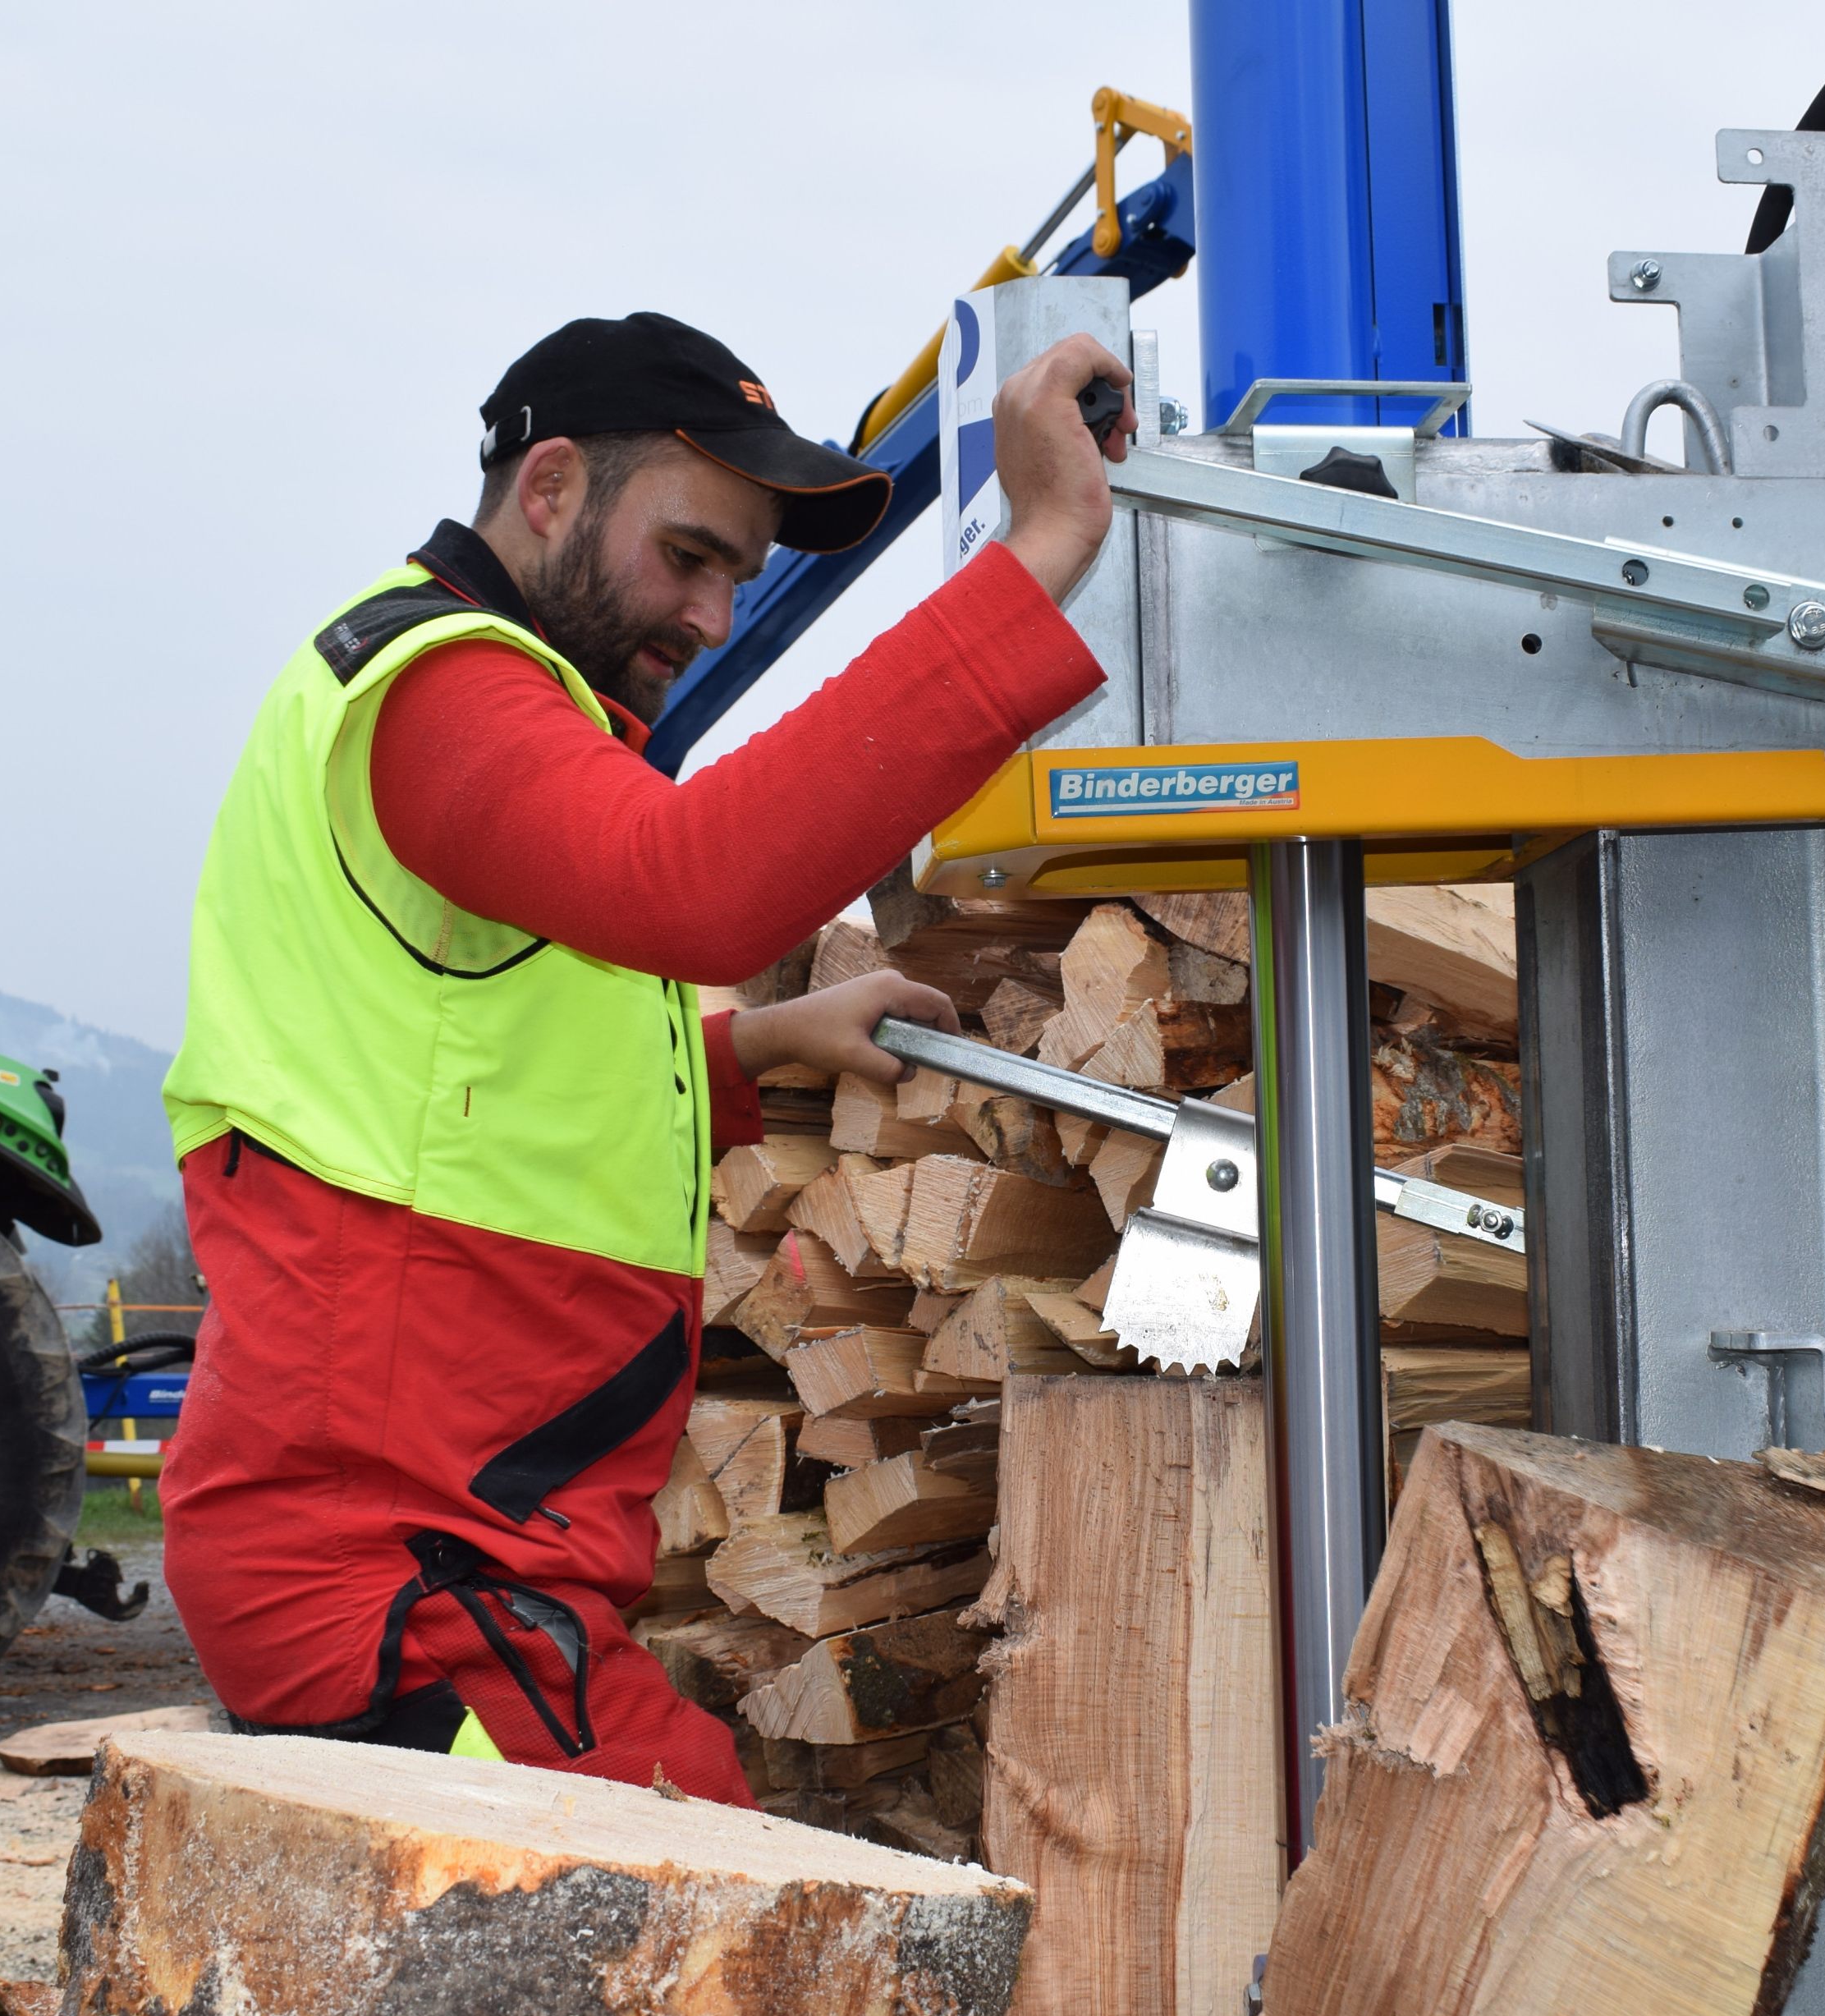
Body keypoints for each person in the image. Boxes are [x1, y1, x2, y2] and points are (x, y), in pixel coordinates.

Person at [158, 310, 1130, 1800]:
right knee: (742, 1961)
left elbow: (474, 1072)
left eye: (740, 573)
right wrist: (1042, 548)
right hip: (407, 1596)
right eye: (689, 555)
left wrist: (756, 1047)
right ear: (548, 489)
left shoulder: (521, 725)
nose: (716, 612)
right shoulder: (435, 686)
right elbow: (693, 888)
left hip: (476, 1573)